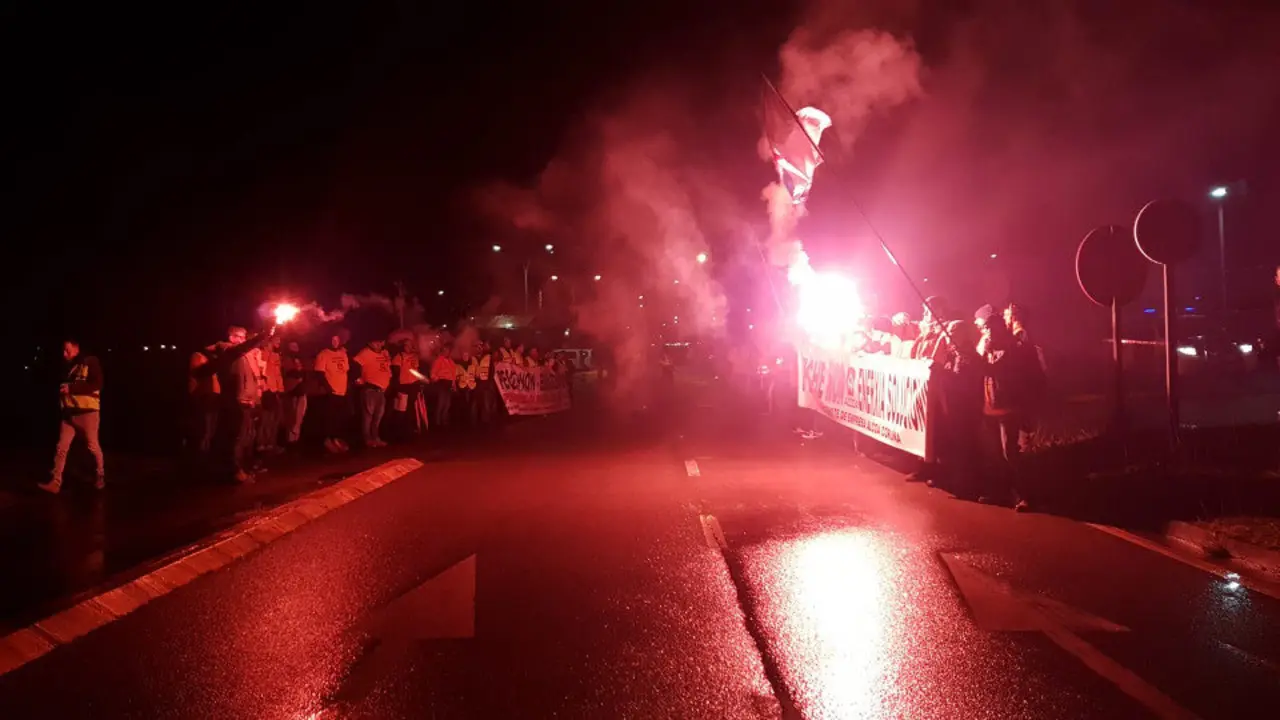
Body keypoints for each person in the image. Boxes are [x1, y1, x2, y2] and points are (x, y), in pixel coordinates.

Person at [976, 307, 1040, 511]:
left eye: (989, 327)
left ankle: (1024, 495)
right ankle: (1000, 492)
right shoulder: (988, 345)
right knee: (994, 454)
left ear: (997, 327)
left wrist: (980, 353)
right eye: (985, 328)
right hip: (990, 407)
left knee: (1009, 452)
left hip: (1008, 409)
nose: (986, 331)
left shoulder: (1011, 347)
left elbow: (992, 370)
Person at [207, 325, 274, 483]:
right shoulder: (227, 350)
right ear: (232, 338)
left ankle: (243, 467)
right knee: (235, 438)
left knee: (246, 437)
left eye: (245, 337)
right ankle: (233, 471)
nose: (244, 340)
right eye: (240, 336)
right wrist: (263, 334)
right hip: (236, 401)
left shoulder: (244, 354)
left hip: (248, 401)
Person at [39, 339, 105, 494]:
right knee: (61, 447)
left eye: (67, 350)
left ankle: (100, 473)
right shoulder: (66, 367)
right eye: (63, 350)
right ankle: (56, 482)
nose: (64, 354)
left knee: (92, 445)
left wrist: (72, 388)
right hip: (69, 413)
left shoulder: (90, 361)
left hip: (87, 413)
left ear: (76, 348)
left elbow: (97, 384)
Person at [315, 333, 351, 453]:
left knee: (340, 418)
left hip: (342, 391)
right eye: (332, 340)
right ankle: (328, 441)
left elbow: (345, 371)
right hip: (331, 392)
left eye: (337, 340)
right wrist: (328, 389)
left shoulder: (343, 353)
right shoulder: (323, 354)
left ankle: (337, 440)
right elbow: (319, 374)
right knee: (330, 418)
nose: (334, 342)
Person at [353, 337, 392, 448]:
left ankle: (376, 438)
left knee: (378, 417)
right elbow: (355, 364)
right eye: (376, 342)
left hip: (382, 390)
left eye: (381, 341)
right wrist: (358, 378)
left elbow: (387, 368)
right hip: (370, 389)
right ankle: (367, 439)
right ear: (370, 342)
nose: (379, 344)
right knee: (368, 416)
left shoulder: (385, 353)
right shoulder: (365, 353)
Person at [187, 348, 220, 456]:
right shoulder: (197, 356)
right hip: (203, 395)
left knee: (211, 426)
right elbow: (198, 372)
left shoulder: (211, 358)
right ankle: (200, 453)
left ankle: (207, 451)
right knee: (204, 426)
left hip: (213, 395)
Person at [257, 335, 285, 455]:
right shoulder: (261, 353)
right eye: (276, 339)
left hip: (275, 391)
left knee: (275, 419)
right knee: (265, 419)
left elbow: (277, 373)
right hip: (266, 391)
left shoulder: (276, 355)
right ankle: (261, 444)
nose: (279, 341)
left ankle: (271, 443)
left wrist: (280, 388)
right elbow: (260, 371)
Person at [391, 339, 424, 439]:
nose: (409, 347)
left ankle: (409, 430)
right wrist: (397, 388)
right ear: (403, 346)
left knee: (411, 408)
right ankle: (398, 431)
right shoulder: (399, 357)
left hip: (413, 386)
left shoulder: (415, 357)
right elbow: (395, 373)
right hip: (403, 386)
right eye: (407, 345)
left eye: (410, 345)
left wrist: (419, 383)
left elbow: (416, 371)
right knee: (401, 409)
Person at [281, 340, 308, 446]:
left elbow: (304, 371)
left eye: (296, 345)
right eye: (292, 346)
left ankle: (296, 438)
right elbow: (289, 372)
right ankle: (291, 440)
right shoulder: (286, 359)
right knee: (292, 416)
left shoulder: (300, 359)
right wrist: (298, 374)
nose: (295, 348)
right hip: (292, 390)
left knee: (300, 416)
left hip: (301, 390)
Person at [429, 344, 457, 428]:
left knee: (447, 403)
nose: (447, 352)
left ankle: (444, 420)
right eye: (445, 350)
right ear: (442, 351)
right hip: (442, 383)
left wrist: (453, 384)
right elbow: (433, 373)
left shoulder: (451, 361)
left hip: (449, 384)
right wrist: (437, 379)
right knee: (441, 403)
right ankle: (437, 422)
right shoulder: (438, 360)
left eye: (448, 350)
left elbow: (453, 374)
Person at [455, 348, 478, 427]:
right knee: (464, 405)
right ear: (462, 356)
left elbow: (476, 375)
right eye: (464, 355)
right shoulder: (458, 366)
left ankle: (472, 421)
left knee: (472, 405)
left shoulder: (472, 366)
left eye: (467, 355)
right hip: (463, 387)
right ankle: (464, 421)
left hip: (471, 387)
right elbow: (456, 377)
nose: (465, 356)